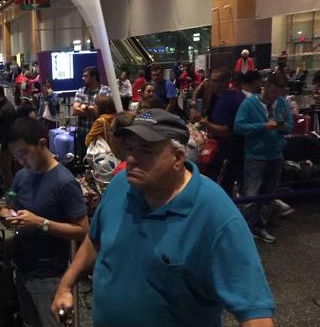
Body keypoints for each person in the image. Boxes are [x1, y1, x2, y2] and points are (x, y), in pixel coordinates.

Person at [52, 109, 275, 327]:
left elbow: (254, 311)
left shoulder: (214, 213)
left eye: (146, 151)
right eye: (129, 148)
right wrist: (65, 284)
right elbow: (95, 240)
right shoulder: (120, 185)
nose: (131, 158)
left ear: (177, 158)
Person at [1, 117, 88, 327]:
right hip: (21, 268)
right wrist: (7, 215)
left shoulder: (64, 183)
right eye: (16, 156)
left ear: (41, 144)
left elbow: (83, 230)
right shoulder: (22, 175)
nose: (21, 160)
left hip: (51, 276)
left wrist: (41, 223)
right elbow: (8, 203)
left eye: (23, 153)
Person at [234, 72, 292, 243]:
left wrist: (280, 127)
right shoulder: (250, 103)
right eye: (272, 91)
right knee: (251, 195)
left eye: (278, 93)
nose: (274, 96)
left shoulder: (281, 103)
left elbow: (289, 125)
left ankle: (259, 226)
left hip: (275, 155)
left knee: (268, 195)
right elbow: (239, 126)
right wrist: (262, 126)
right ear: (265, 86)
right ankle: (243, 229)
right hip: (255, 156)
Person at [197, 68, 245, 197]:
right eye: (210, 80)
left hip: (227, 151)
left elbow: (226, 131)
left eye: (215, 81)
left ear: (225, 82)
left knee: (220, 189)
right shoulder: (221, 97)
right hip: (228, 151)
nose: (211, 84)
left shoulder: (229, 99)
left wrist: (205, 123)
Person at [73, 67, 112, 157]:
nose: (83, 78)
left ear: (93, 77)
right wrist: (94, 111)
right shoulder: (80, 91)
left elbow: (105, 112)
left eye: (85, 76)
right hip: (83, 133)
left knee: (100, 163)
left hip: (100, 136)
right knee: (83, 161)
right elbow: (75, 110)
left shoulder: (106, 90)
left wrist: (85, 106)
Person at [0, 85, 17, 192]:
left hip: (4, 145)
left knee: (6, 171)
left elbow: (9, 130)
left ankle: (10, 195)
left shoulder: (7, 109)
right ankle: (5, 190)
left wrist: (3, 146)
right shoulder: (1, 106)